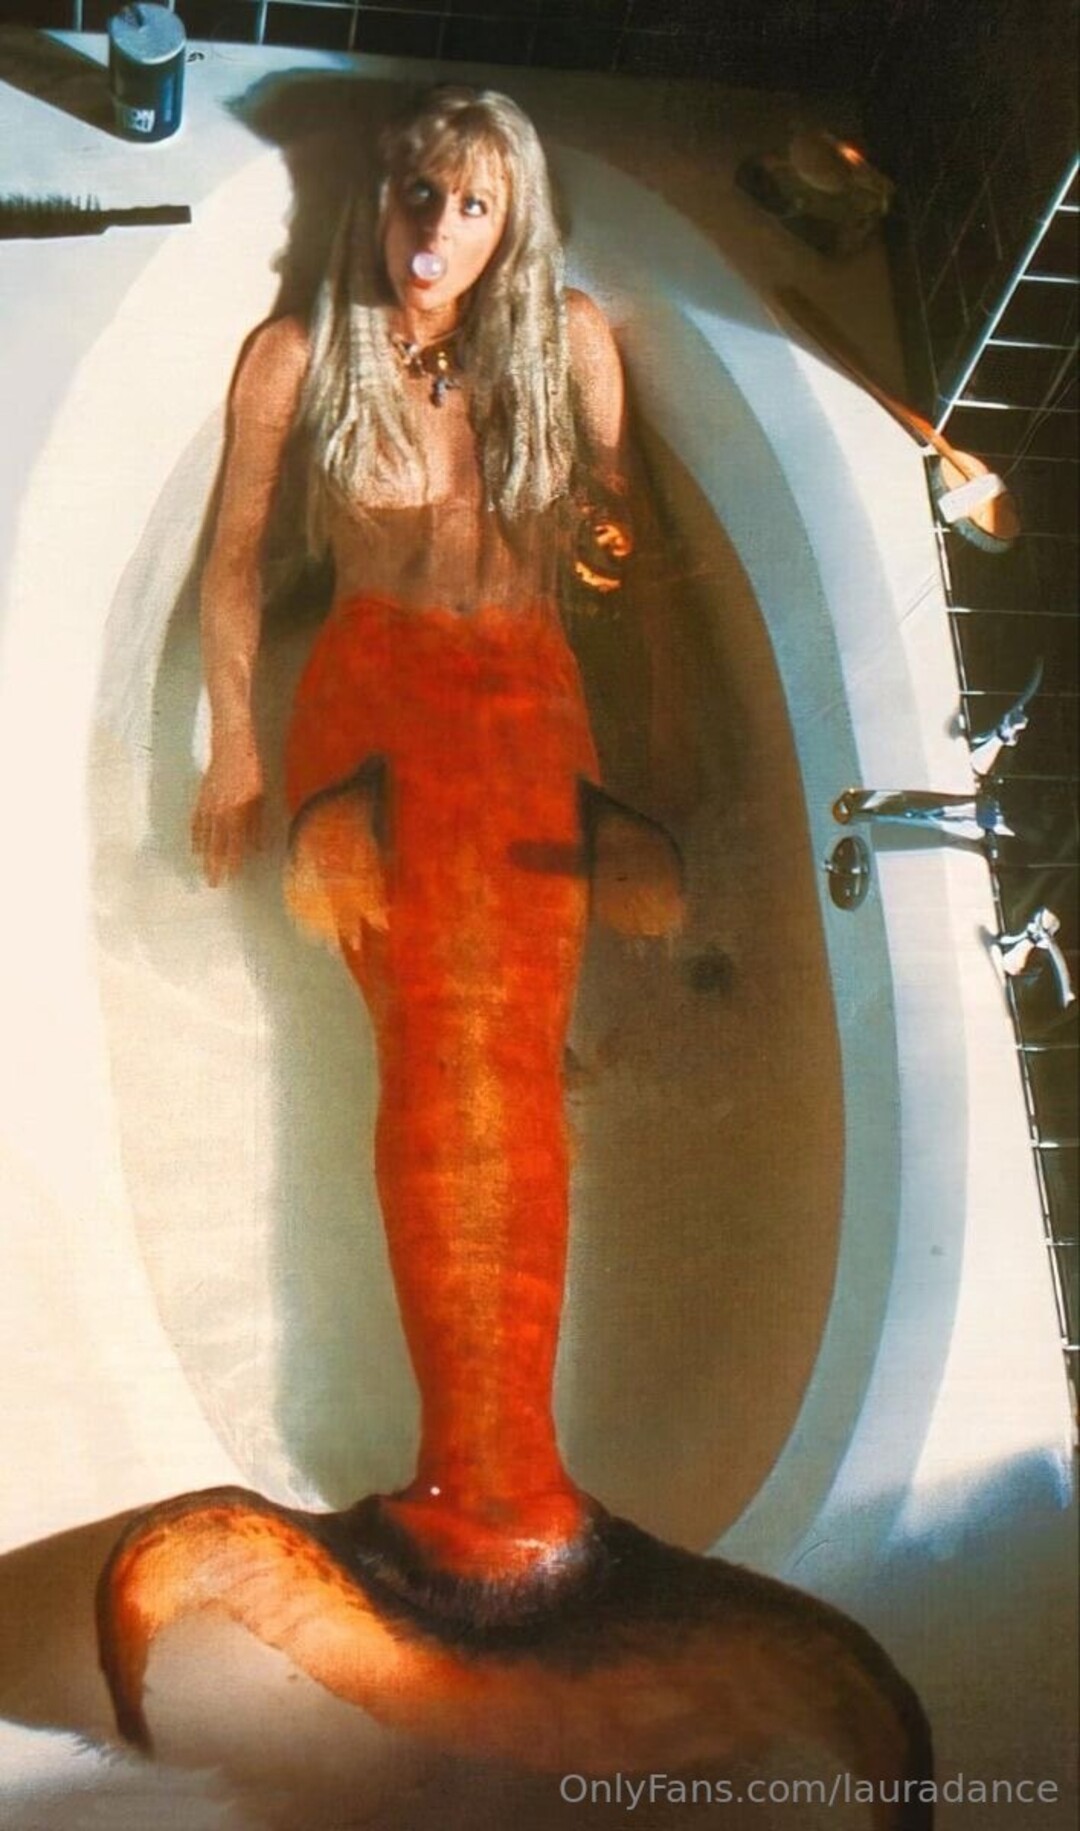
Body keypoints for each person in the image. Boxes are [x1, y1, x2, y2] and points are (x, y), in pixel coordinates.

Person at [96, 91, 932, 1818]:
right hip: (369, 718)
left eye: (471, 207)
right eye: (417, 194)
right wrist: (236, 744)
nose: (432, 233)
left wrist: (668, 740)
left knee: (513, 1059)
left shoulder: (577, 349)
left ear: (513, 224)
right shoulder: (293, 358)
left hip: (537, 716)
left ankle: (504, 1508)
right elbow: (237, 567)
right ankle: (471, 1510)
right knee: (435, 1044)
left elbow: (638, 558)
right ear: (381, 195)